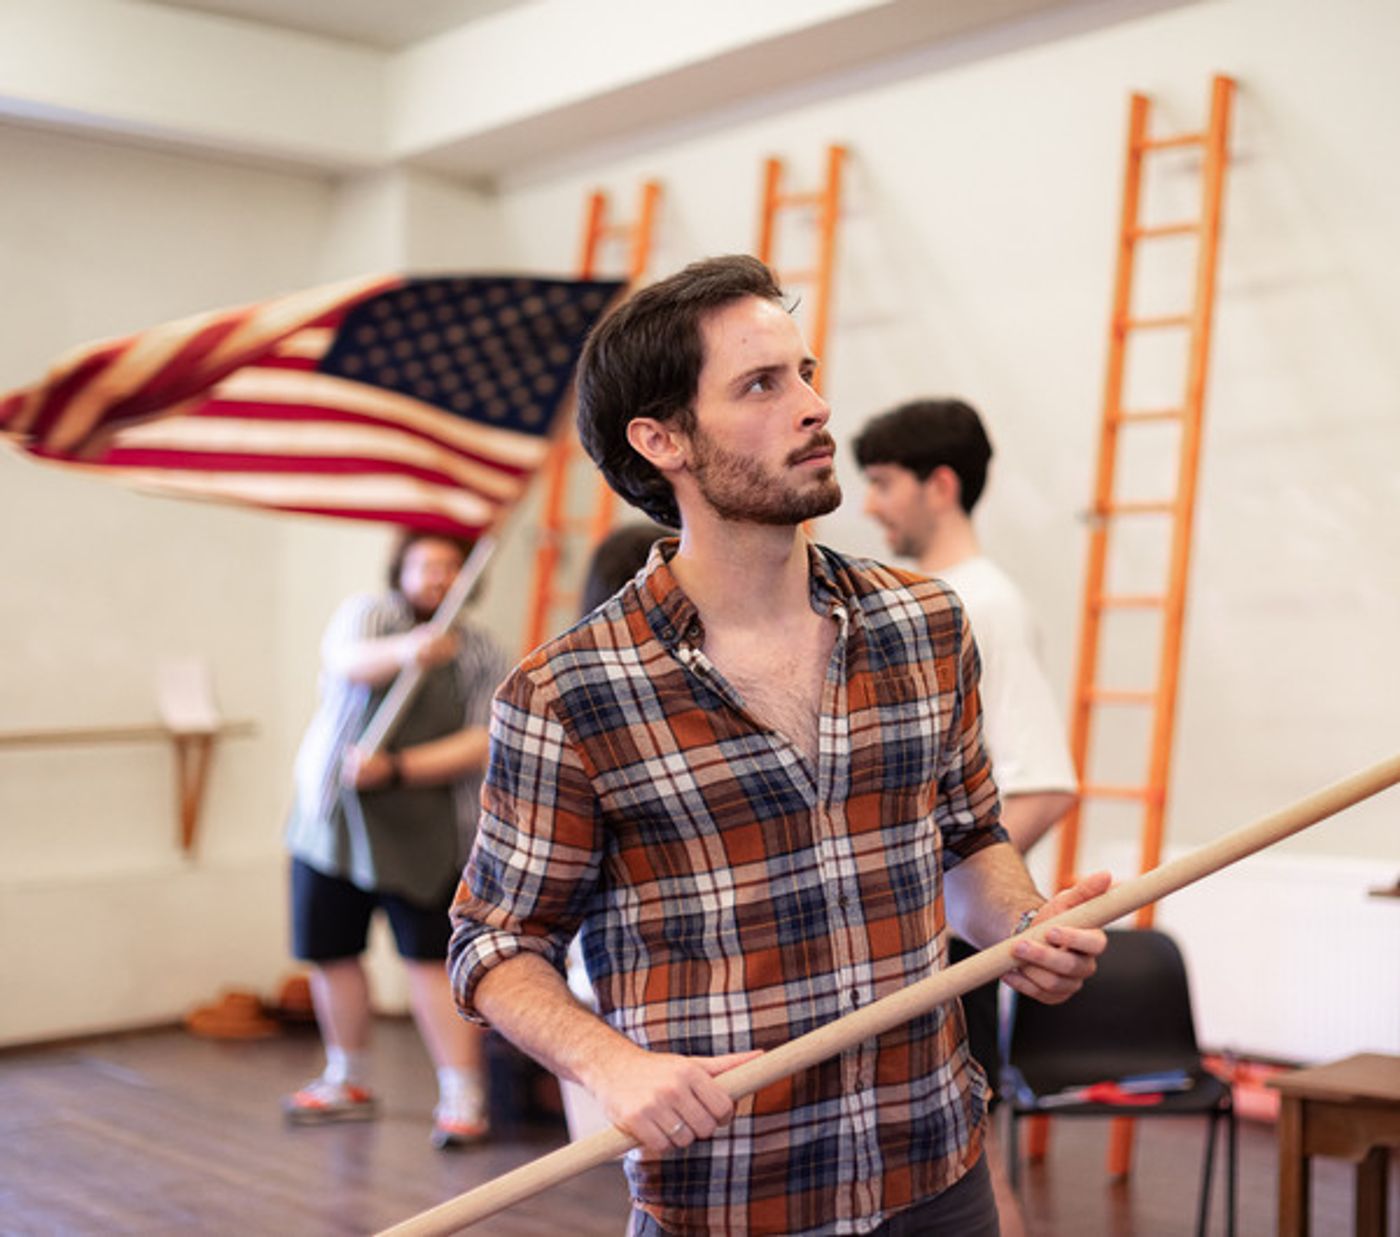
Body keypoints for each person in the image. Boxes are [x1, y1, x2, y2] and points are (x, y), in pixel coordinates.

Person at [449, 255, 1108, 1235]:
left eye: (802, 372)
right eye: (762, 384)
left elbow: (966, 843)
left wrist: (1016, 931)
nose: (813, 405)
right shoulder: (567, 693)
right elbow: (495, 942)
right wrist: (611, 1064)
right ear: (660, 439)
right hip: (730, 1198)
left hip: (935, 1171)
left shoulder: (924, 624)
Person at [853, 398, 1078, 1235]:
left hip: (948, 945)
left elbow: (1045, 785)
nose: (868, 502)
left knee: (970, 1168)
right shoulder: (922, 598)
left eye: (882, 482)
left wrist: (925, 893)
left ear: (940, 485)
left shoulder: (983, 606)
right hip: (914, 944)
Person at [282, 530, 508, 1149]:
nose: (437, 578)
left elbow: (483, 738)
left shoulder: (483, 652)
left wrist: (399, 769)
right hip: (332, 823)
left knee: (431, 960)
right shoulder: (370, 617)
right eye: (425, 565)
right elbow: (342, 661)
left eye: (449, 568)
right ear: (401, 571)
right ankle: (346, 1078)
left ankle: (463, 1094)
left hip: (426, 833)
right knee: (332, 951)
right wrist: (410, 650)